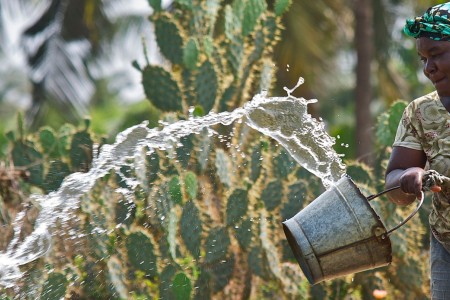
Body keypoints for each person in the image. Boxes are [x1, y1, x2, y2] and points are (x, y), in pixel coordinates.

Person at [385, 3, 450, 298]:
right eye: (423, 59)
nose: (428, 69)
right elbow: (393, 185)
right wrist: (408, 177)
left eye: (436, 55)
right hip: (447, 246)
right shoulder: (420, 112)